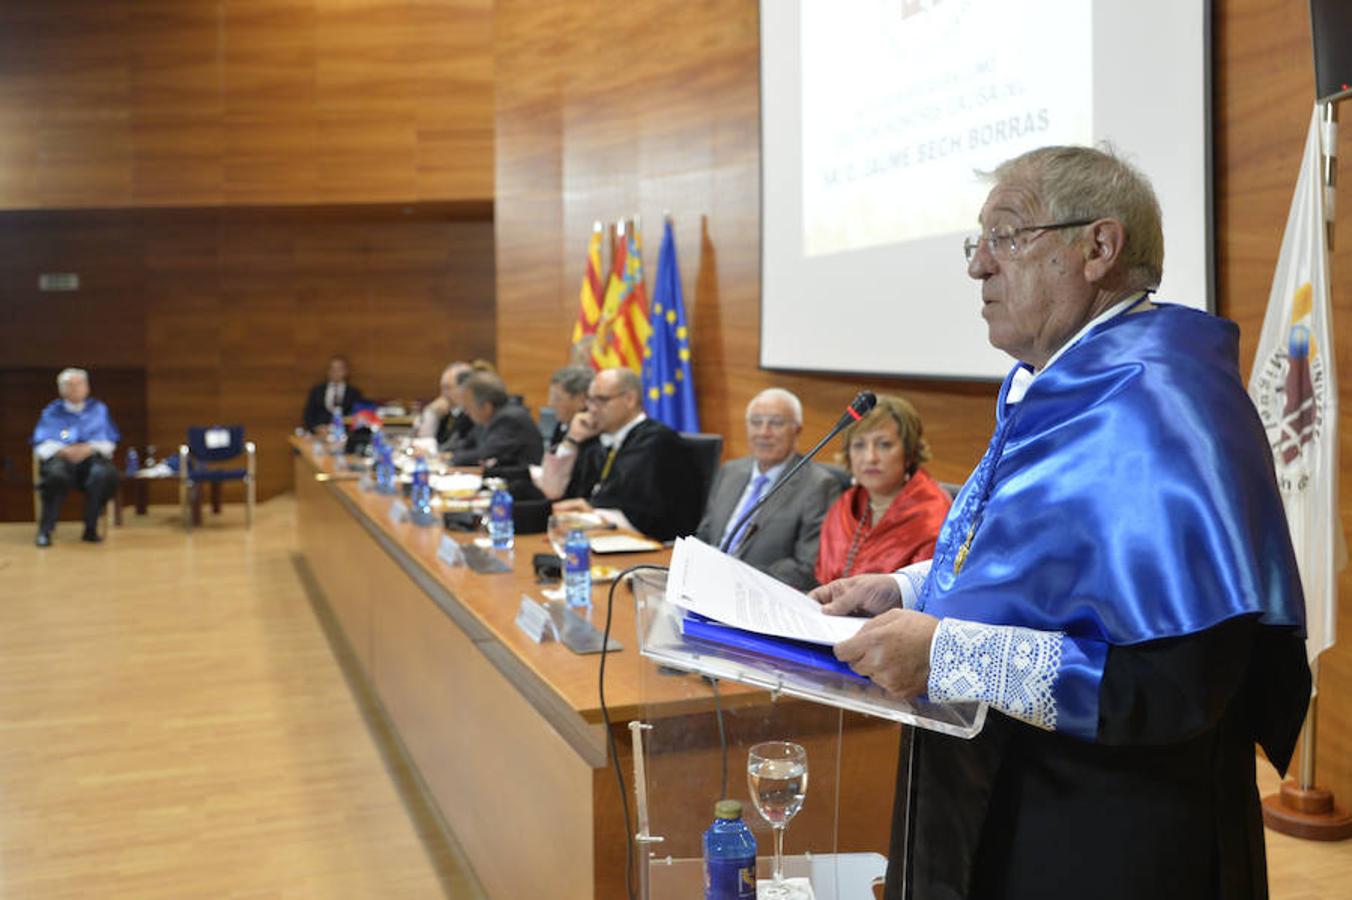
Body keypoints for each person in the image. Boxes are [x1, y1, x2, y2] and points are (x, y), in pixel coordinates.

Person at [810, 146, 1310, 899]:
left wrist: (951, 655)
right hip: (1023, 793)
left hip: (1106, 830)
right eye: (975, 244)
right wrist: (910, 591)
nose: (979, 267)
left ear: (1099, 249)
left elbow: (1176, 680)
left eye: (1005, 237)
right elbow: (1050, 573)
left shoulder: (1161, 405)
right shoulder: (1068, 387)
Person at [695, 388, 841, 590]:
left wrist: (735, 577)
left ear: (796, 430)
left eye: (776, 423)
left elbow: (807, 567)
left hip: (759, 594)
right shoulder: (730, 471)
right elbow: (705, 534)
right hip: (704, 584)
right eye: (756, 422)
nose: (764, 432)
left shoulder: (819, 485)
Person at [547, 367, 702, 541]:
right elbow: (552, 490)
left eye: (601, 400)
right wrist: (572, 440)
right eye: (590, 400)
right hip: (598, 539)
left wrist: (593, 514)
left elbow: (645, 514)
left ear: (630, 399)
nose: (592, 409)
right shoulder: (597, 441)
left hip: (652, 548)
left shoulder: (656, 442)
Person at [813, 394, 950, 585]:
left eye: (884, 445)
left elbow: (925, 595)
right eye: (859, 445)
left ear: (908, 453)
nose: (870, 457)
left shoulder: (932, 515)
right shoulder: (843, 507)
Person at [30, 368, 121, 547]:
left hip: (91, 460)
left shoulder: (99, 410)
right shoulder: (51, 412)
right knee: (55, 475)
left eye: (79, 384)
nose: (74, 389)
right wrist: (63, 450)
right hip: (61, 460)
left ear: (87, 387)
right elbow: (41, 444)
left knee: (103, 474)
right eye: (69, 385)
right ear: (61, 389)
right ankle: (45, 531)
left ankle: (91, 528)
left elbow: (109, 441)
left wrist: (89, 448)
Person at [448, 372, 544, 468]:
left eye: (469, 407)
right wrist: (448, 454)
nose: (466, 413)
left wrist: (452, 458)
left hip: (519, 480)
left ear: (486, 407)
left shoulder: (510, 419)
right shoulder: (490, 419)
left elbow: (484, 453)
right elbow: (466, 444)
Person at [302, 355, 366, 433]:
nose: (335, 372)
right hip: (319, 432)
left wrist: (340, 429)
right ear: (328, 371)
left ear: (346, 371)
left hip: (344, 434)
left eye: (339, 369)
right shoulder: (317, 390)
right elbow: (308, 414)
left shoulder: (354, 393)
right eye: (332, 369)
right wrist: (316, 428)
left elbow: (356, 417)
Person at [545, 365, 594, 449]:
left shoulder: (592, 436)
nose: (550, 404)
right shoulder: (561, 425)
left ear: (581, 400)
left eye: (557, 398)